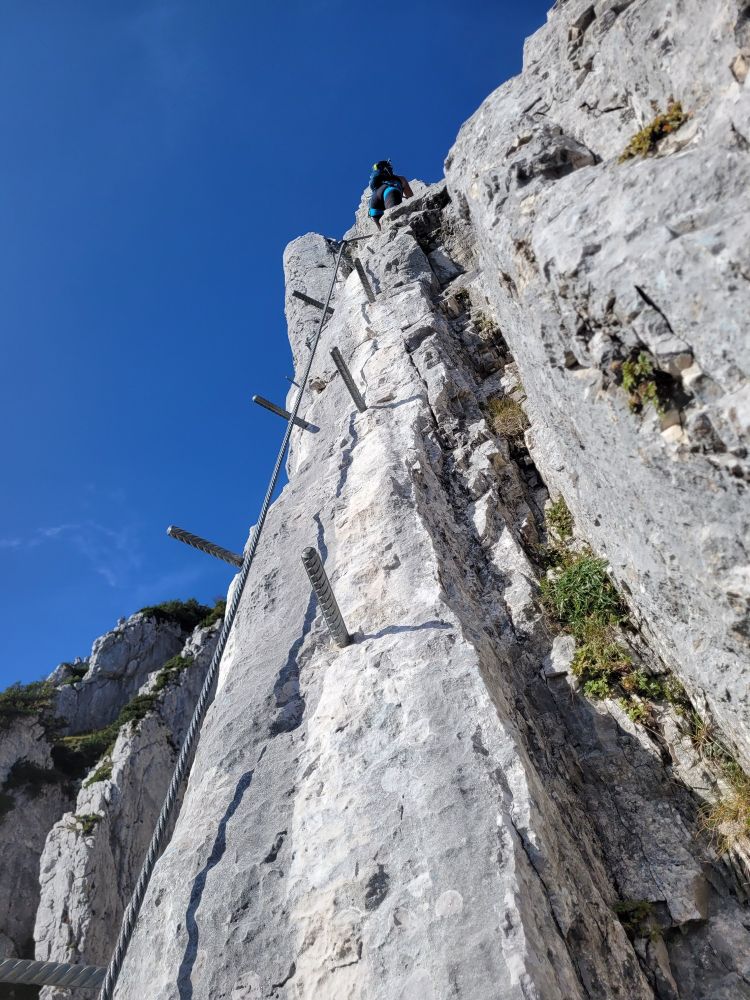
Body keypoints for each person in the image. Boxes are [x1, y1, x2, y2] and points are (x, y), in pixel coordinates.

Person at [368, 160, 413, 229]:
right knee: (396, 219)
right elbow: (411, 198)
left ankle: (381, 231)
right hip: (390, 192)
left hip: (374, 203)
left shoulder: (376, 183)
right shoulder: (401, 178)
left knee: (383, 229)